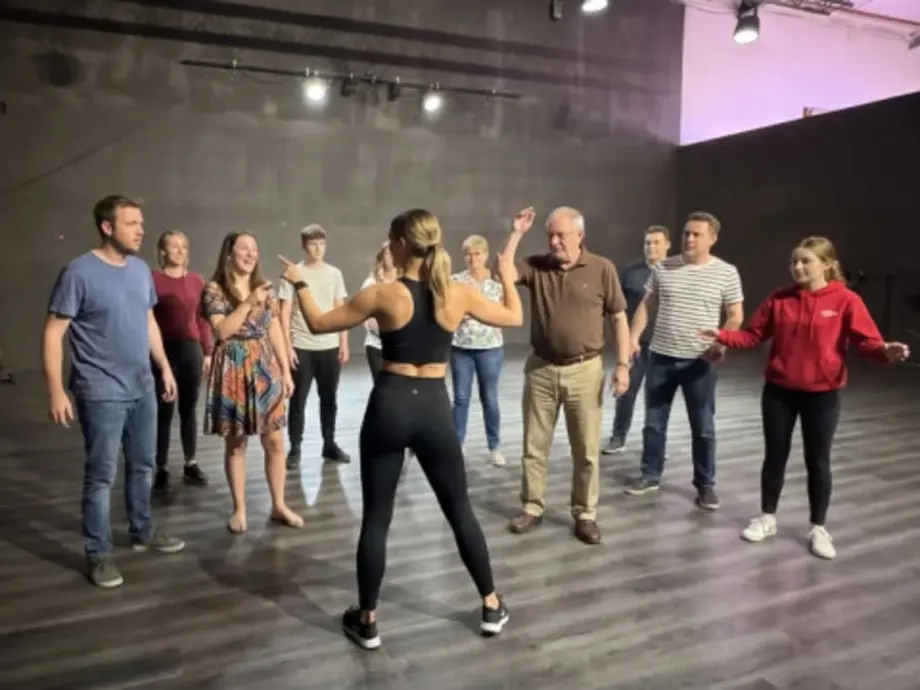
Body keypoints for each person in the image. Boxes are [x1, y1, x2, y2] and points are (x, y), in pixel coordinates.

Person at [278, 207, 524, 651]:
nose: (388, 246)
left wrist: (298, 282)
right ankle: (491, 604)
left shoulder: (384, 294)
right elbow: (513, 316)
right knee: (460, 510)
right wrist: (506, 274)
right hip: (433, 409)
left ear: (401, 243)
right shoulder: (458, 294)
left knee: (377, 518)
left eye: (391, 239)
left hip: (390, 405)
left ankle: (367, 621)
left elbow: (317, 322)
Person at [699, 236, 910, 559]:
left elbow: (867, 342)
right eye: (794, 261)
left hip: (822, 395)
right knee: (775, 457)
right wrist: (723, 335)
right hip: (779, 391)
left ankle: (818, 528)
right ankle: (767, 518)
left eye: (805, 261)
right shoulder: (780, 298)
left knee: (818, 461)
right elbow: (753, 335)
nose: (798, 267)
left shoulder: (846, 300)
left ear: (826, 264)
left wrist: (885, 351)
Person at [42, 195, 185, 589]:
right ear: (107, 227)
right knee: (101, 475)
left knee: (143, 464)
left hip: (142, 386)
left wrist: (164, 367)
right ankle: (98, 553)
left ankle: (142, 529)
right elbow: (53, 332)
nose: (141, 230)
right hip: (100, 390)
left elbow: (148, 321)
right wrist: (55, 389)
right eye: (131, 223)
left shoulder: (139, 270)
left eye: (141, 222)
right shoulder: (79, 272)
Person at [499, 206, 630, 545]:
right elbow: (504, 273)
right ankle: (532, 506)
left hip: (585, 370)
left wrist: (623, 365)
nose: (554, 241)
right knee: (534, 446)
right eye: (551, 236)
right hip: (541, 369)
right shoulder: (537, 266)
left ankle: (585, 514)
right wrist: (516, 233)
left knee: (586, 449)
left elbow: (619, 318)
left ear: (580, 236)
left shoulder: (601, 268)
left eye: (561, 235)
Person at [624, 211, 744, 511]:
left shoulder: (726, 272)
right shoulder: (664, 268)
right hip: (661, 356)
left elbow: (735, 315)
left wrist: (721, 342)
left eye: (696, 234)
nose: (689, 238)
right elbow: (645, 307)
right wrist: (633, 337)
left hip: (699, 362)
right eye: (686, 233)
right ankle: (650, 475)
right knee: (654, 423)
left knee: (703, 427)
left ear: (712, 238)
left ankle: (705, 485)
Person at [200, 232, 302, 534]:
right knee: (237, 443)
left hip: (264, 369)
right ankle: (240, 509)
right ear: (229, 253)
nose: (250, 254)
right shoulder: (214, 289)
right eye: (244, 248)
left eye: (254, 249)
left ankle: (279, 504)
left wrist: (285, 371)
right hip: (233, 368)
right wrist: (247, 302)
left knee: (275, 441)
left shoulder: (264, 288)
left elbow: (274, 330)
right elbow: (221, 331)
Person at [278, 224, 350, 469]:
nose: (318, 248)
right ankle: (295, 448)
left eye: (321, 243)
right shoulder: (293, 273)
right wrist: (288, 346)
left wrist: (343, 343)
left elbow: (340, 309)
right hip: (302, 345)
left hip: (329, 346)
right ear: (304, 246)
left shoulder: (334, 273)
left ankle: (329, 444)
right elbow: (285, 311)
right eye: (313, 244)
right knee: (298, 400)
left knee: (329, 398)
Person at [151, 230, 211, 494]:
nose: (179, 251)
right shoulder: (152, 279)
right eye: (173, 246)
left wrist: (207, 352)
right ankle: (162, 467)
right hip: (164, 350)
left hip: (191, 350)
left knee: (189, 408)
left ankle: (190, 462)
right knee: (164, 410)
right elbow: (148, 319)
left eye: (183, 247)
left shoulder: (197, 281)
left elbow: (202, 318)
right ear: (162, 251)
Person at [603, 225, 671, 455]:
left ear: (667, 245)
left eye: (656, 242)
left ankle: (656, 444)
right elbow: (617, 309)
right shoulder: (631, 272)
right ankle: (618, 437)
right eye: (647, 243)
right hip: (635, 345)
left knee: (658, 398)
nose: (651, 247)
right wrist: (622, 341)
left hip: (664, 346)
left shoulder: (676, 273)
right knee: (626, 392)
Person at [450, 234, 506, 467]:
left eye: (477, 254)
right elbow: (450, 311)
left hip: (489, 347)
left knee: (490, 399)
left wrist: (475, 312)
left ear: (485, 255)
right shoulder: (455, 281)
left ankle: (494, 446)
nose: (473, 259)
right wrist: (464, 313)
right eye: (469, 254)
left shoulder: (496, 281)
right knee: (461, 398)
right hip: (461, 347)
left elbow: (503, 311)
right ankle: (457, 444)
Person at [360, 241, 399, 381]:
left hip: (401, 346)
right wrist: (385, 330)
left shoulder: (405, 282)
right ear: (382, 257)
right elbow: (365, 314)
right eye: (388, 253)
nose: (391, 257)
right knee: (380, 386)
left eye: (394, 253)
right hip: (376, 345)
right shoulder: (371, 283)